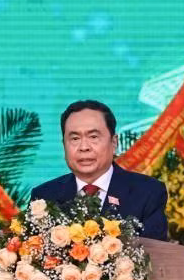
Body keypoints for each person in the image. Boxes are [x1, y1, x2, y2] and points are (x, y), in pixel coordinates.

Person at [30, 100, 168, 241]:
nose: (84, 147)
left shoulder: (148, 193)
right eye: (75, 138)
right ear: (64, 145)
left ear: (114, 143)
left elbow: (157, 256)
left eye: (93, 137)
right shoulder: (44, 196)